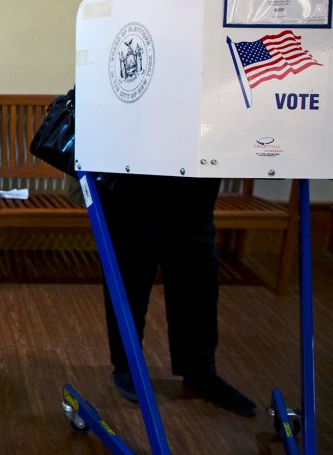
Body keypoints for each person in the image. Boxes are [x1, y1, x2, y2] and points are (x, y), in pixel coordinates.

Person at [97, 173, 257, 417]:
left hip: (195, 171)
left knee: (197, 275)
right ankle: (126, 365)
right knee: (130, 271)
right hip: (132, 169)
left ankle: (200, 372)